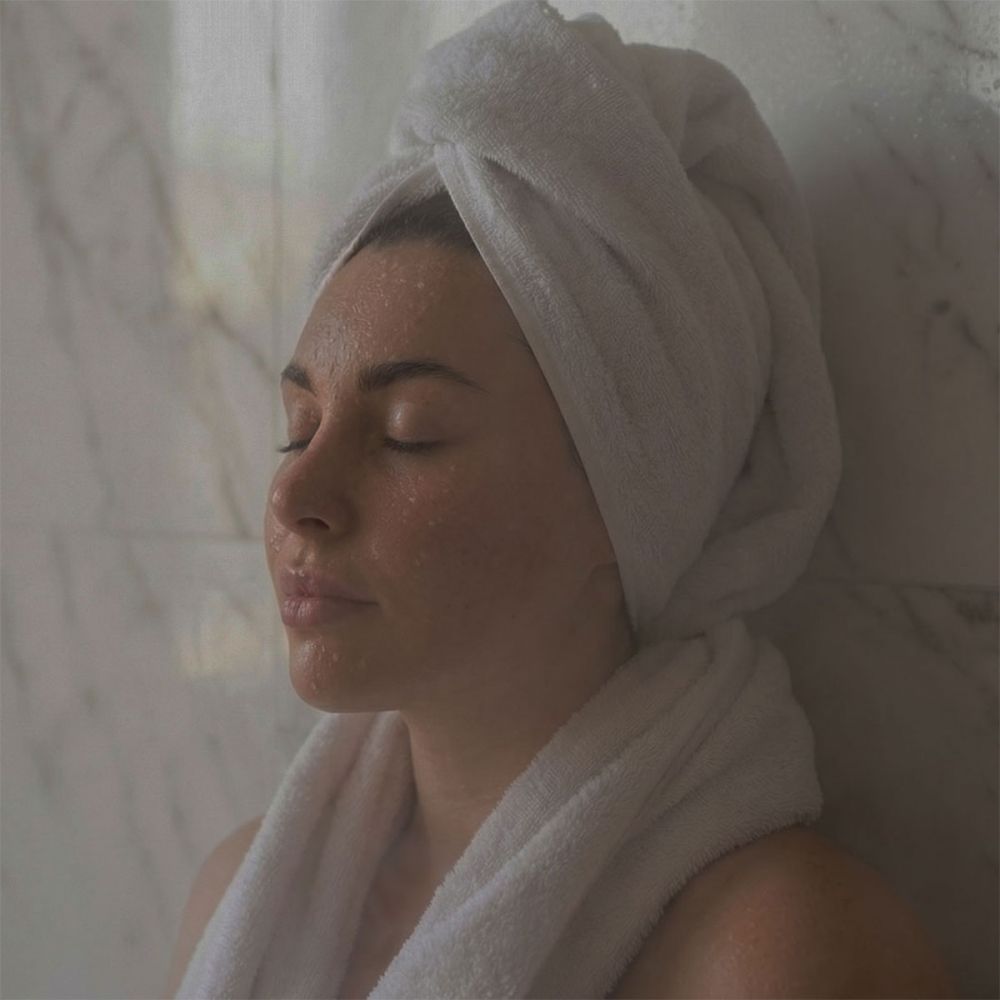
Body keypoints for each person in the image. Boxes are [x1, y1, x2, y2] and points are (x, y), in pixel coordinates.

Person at [165, 189, 957, 999]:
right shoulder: (236, 901)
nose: (294, 492)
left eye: (409, 431)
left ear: (626, 504)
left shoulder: (783, 956)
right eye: (297, 428)